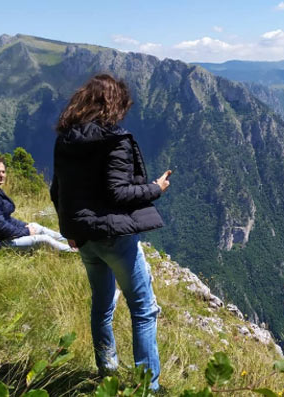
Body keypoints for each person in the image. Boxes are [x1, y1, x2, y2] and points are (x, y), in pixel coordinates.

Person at [51, 74, 170, 390]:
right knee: (143, 310)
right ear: (114, 105)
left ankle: (107, 372)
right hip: (115, 237)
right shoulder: (116, 140)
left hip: (85, 239)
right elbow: (118, 193)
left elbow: (58, 190)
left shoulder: (65, 139)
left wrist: (69, 230)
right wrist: (155, 188)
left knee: (102, 306)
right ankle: (149, 388)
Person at [0, 155, 74, 252]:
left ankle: (72, 239)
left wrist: (24, 227)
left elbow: (4, 218)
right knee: (43, 240)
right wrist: (26, 232)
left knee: (35, 226)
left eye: (3, 171)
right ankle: (74, 251)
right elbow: (0, 227)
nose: (2, 175)